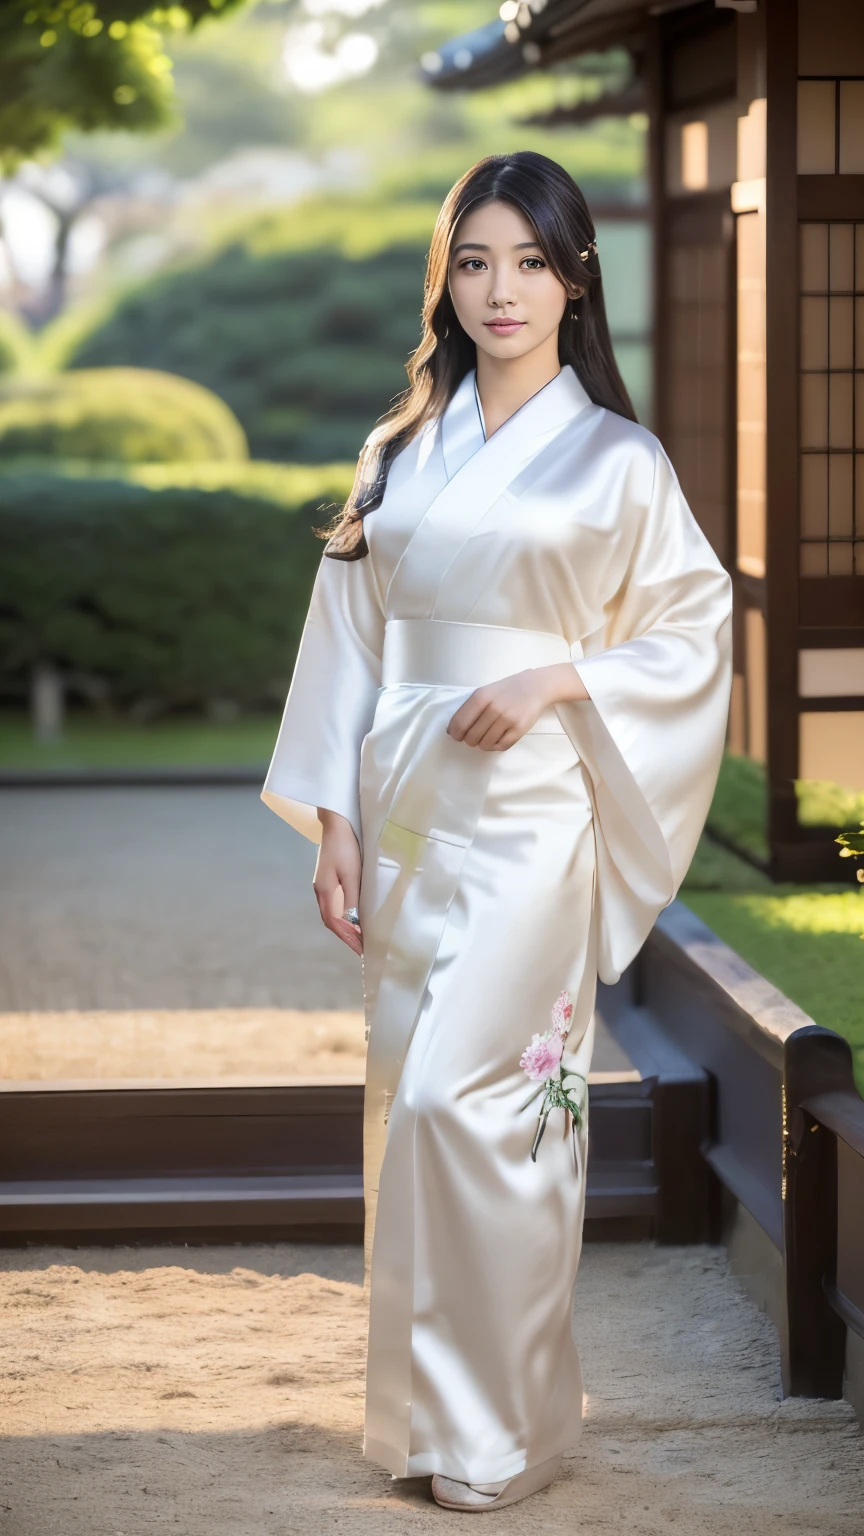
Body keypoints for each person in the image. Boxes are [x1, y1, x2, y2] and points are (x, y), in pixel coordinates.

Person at [262, 150, 732, 1513]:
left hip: (532, 811)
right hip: (411, 806)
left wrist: (553, 676)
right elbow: (346, 639)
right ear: (446, 279)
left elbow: (692, 631)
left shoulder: (619, 459)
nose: (500, 288)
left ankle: (506, 1432)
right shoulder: (401, 450)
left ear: (574, 277)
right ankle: (428, 1426)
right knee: (410, 1110)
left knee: (485, 1103)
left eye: (529, 260)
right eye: (473, 260)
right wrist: (333, 819)